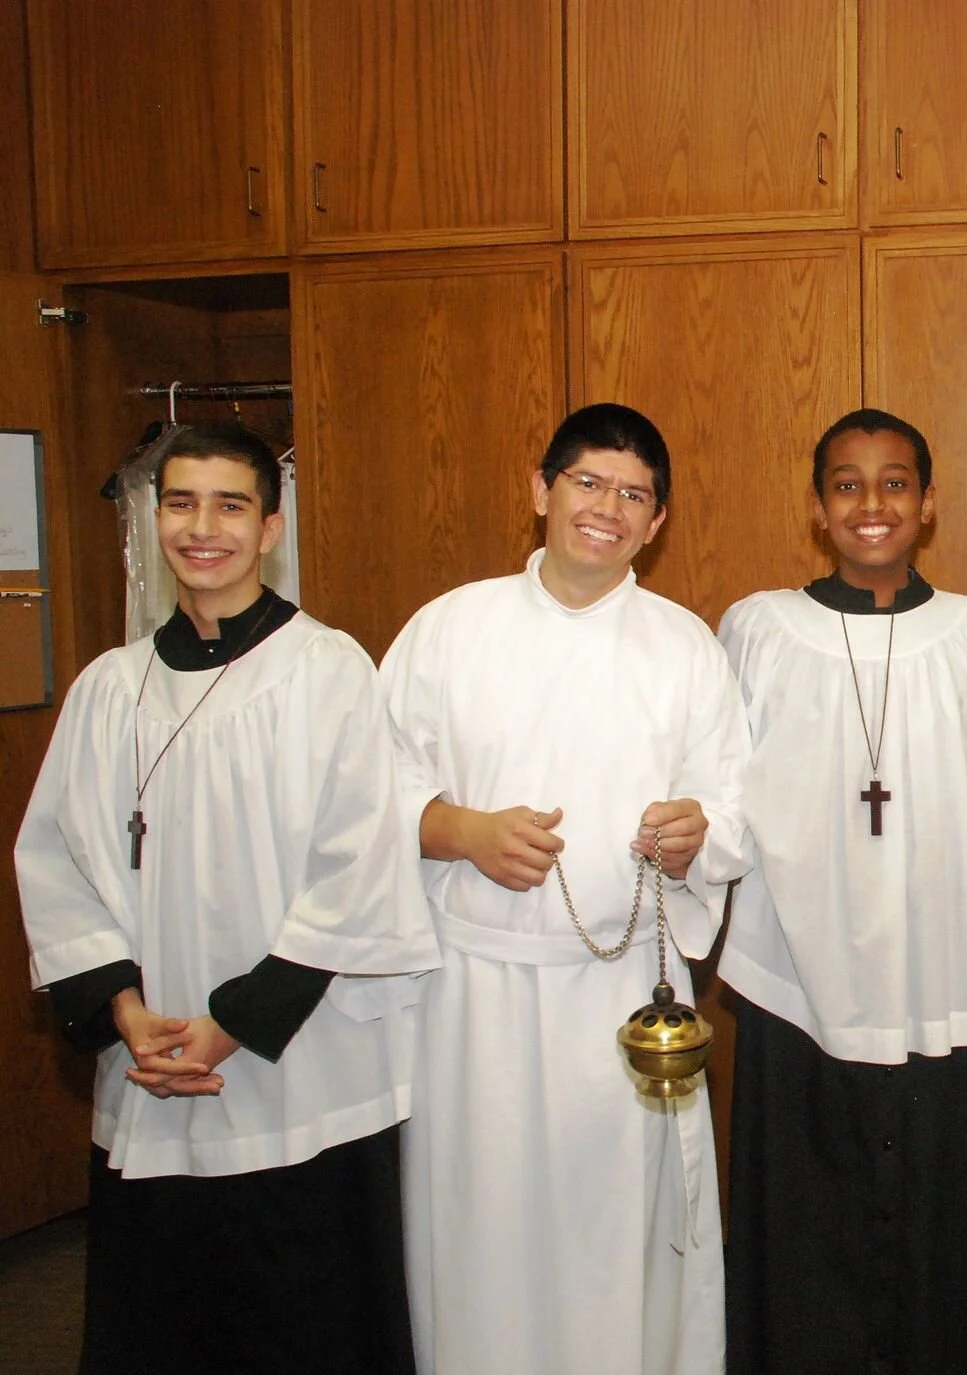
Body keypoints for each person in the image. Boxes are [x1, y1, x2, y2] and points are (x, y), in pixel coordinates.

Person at [15, 422, 440, 1375]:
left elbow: (358, 864)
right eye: (179, 502)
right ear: (155, 515)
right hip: (153, 1064)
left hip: (300, 1066)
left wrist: (231, 1023)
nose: (202, 528)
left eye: (230, 504)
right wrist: (127, 1013)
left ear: (270, 525)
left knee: (309, 1327)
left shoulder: (327, 671)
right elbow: (55, 862)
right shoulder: (108, 689)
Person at [381, 403, 751, 1375]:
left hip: (622, 1001)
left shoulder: (685, 648)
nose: (608, 508)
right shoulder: (446, 629)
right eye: (587, 482)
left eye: (634, 495)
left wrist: (694, 835)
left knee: (615, 1245)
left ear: (657, 522)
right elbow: (364, 797)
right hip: (475, 1003)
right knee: (481, 1238)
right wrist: (457, 830)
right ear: (540, 489)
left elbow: (736, 807)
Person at [718, 409, 967, 1373]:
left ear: (928, 504)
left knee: (941, 1249)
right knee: (805, 1245)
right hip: (797, 978)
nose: (871, 503)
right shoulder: (758, 628)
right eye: (847, 483)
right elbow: (720, 788)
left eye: (895, 483)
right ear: (817, 507)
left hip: (942, 976)